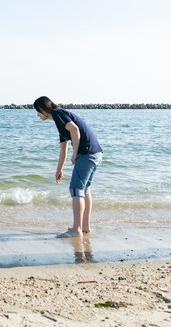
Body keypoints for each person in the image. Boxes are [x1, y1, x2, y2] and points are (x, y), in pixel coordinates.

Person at [33, 96, 103, 238]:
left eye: (37, 111)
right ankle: (85, 227)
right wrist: (59, 169)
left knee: (76, 189)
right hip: (95, 153)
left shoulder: (58, 114)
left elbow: (75, 130)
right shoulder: (60, 120)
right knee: (85, 190)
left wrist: (75, 153)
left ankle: (76, 230)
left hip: (87, 153)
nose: (37, 115)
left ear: (43, 109)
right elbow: (63, 149)